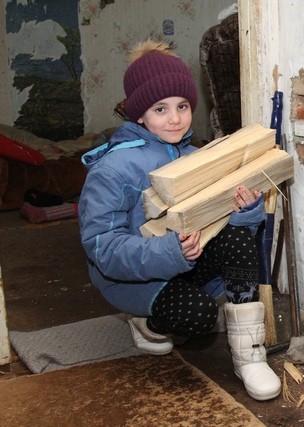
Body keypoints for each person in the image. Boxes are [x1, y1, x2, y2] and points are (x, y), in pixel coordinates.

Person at [78, 39, 281, 401]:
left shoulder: (197, 157)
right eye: (160, 108)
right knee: (197, 316)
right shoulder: (113, 168)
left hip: (187, 258)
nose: (175, 119)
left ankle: (250, 356)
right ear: (139, 114)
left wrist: (244, 213)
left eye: (182, 106)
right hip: (136, 278)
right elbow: (102, 248)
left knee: (238, 241)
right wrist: (169, 251)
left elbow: (220, 223)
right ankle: (149, 325)